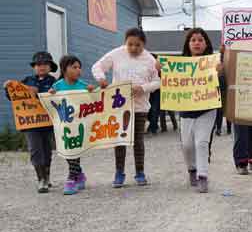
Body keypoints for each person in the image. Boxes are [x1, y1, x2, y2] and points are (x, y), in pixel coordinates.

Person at [92, 28, 160, 187]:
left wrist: (142, 88)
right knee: (120, 140)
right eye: (130, 44)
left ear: (144, 44)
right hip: (119, 106)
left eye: (138, 45)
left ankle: (140, 172)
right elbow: (97, 66)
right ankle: (119, 172)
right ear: (125, 42)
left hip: (140, 106)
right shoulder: (116, 54)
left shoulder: (150, 59)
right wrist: (101, 79)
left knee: (138, 140)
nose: (134, 48)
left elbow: (158, 82)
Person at [3, 52, 57, 193]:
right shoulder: (26, 81)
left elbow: (58, 97)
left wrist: (44, 93)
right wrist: (7, 87)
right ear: (34, 67)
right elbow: (14, 97)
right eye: (38, 64)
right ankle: (41, 179)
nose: (41, 67)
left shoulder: (54, 82)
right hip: (30, 124)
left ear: (50, 67)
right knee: (35, 150)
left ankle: (47, 176)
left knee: (47, 150)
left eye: (45, 64)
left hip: (48, 123)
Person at [177, 28, 219, 193]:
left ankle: (203, 176)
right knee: (187, 145)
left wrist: (220, 70)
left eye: (200, 40)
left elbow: (222, 80)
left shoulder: (214, 62)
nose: (196, 43)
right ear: (188, 44)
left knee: (201, 143)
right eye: (193, 40)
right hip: (186, 110)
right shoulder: (178, 65)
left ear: (206, 44)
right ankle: (192, 170)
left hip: (207, 109)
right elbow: (165, 78)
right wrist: (160, 68)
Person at [49, 55, 95, 194]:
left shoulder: (83, 86)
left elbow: (94, 99)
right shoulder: (57, 86)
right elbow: (51, 101)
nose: (78, 70)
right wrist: (51, 94)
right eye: (74, 67)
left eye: (79, 67)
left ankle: (71, 178)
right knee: (68, 151)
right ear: (64, 69)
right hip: (64, 126)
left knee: (75, 150)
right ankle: (79, 174)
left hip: (79, 125)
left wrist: (92, 91)